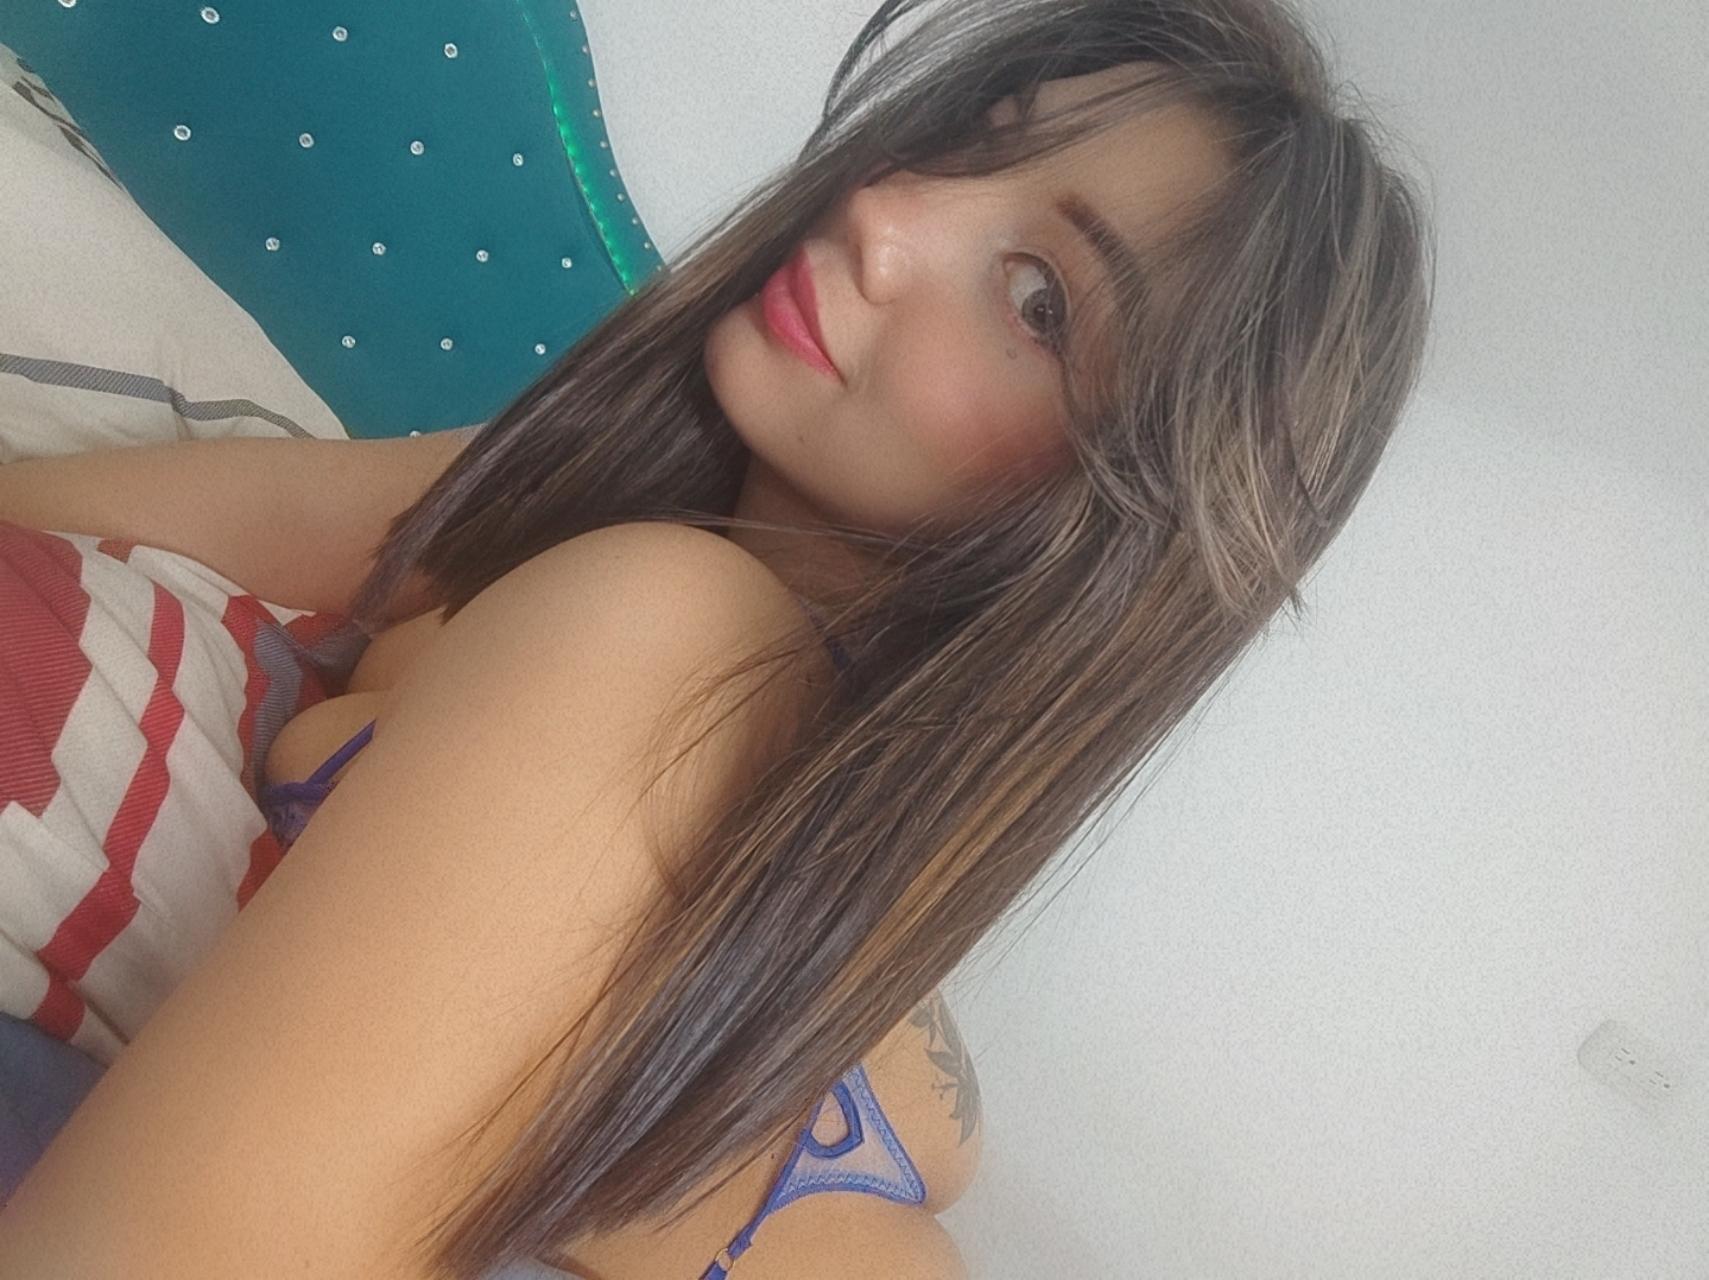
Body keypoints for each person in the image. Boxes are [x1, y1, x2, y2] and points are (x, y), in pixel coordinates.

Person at [0, 0, 1435, 1276]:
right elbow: (76, 515)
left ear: (1113, 521)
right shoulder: (634, 567)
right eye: (964, 144)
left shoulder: (668, 634)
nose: (886, 215)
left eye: (1040, 300)